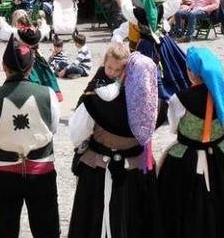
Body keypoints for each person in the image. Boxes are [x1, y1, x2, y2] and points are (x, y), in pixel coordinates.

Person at [68, 51, 163, 238]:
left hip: (99, 171)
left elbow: (77, 133)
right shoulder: (154, 106)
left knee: (93, 224)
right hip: (138, 173)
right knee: (138, 221)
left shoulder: (95, 101)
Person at [0, 37, 61, 238]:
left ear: (3, 66)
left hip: (4, 172)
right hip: (40, 169)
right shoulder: (48, 94)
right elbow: (53, 128)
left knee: (5, 230)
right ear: (31, 67)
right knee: (47, 229)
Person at [158, 47, 224, 238]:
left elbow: (173, 129)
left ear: (191, 72)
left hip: (184, 160)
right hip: (220, 159)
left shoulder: (179, 99)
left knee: (180, 208)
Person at [121, 0, 190, 100]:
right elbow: (175, 0)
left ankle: (150, 96)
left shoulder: (137, 13)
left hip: (146, 46)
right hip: (164, 43)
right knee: (173, 66)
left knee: (145, 73)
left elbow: (125, 7)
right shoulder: (161, 8)